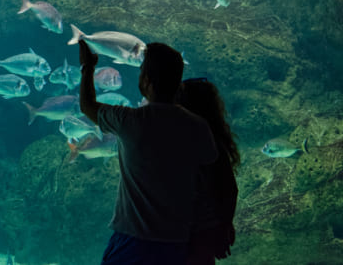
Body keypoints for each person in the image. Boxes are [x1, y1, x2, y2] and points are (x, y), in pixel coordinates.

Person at [78, 40, 218, 265]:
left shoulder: (131, 121)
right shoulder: (198, 127)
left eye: (142, 70)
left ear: (146, 81)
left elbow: (87, 106)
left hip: (132, 240)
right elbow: (211, 180)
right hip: (178, 242)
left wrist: (88, 67)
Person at [176, 78, 240, 264]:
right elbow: (229, 189)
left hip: (195, 231)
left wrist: (224, 227)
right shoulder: (214, 139)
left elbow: (228, 189)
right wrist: (225, 226)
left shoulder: (205, 141)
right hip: (203, 229)